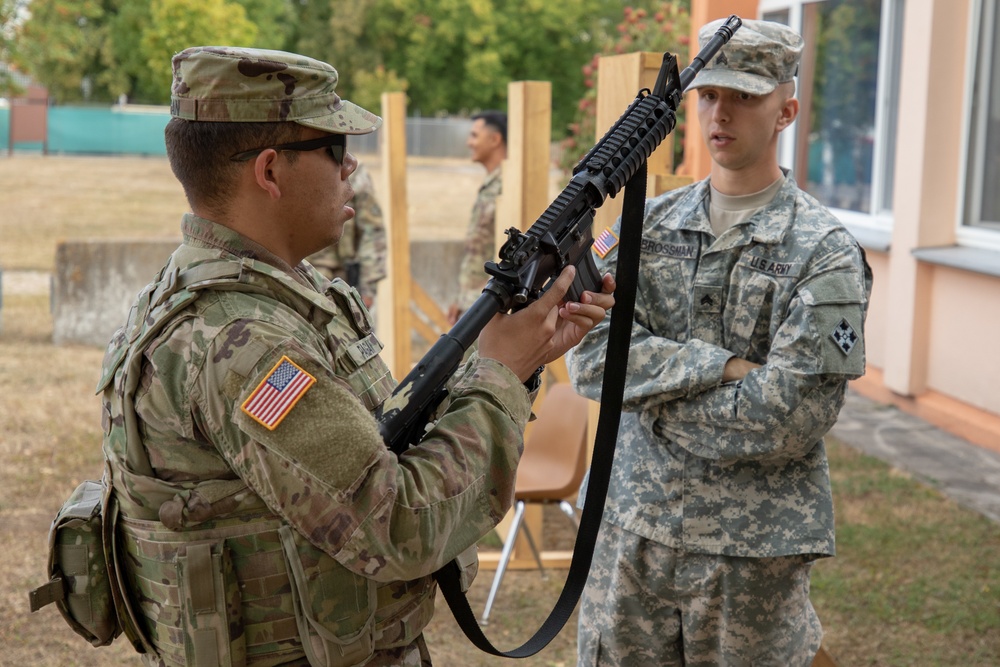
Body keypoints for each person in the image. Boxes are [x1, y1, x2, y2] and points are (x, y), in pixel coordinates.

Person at [97, 46, 614, 667]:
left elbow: (385, 440)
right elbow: (399, 523)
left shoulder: (266, 296)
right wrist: (499, 374)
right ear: (269, 171)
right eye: (334, 149)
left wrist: (516, 361)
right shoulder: (241, 344)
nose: (351, 167)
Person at [566, 19, 872, 666]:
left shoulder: (824, 252)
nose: (719, 112)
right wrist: (726, 368)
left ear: (785, 109)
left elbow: (788, 418)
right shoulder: (644, 226)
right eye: (707, 95)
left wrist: (651, 407)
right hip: (631, 528)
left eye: (743, 96)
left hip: (748, 553)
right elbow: (591, 358)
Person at [447, 110, 507, 325]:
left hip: (489, 306)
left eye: (474, 135)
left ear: (495, 139)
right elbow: (476, 250)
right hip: (473, 301)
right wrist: (460, 298)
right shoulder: (492, 183)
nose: (469, 142)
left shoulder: (507, 185)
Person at [307, 160, 386, 308]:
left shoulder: (354, 174)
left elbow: (372, 233)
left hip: (340, 283)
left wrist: (368, 289)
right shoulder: (295, 163)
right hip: (298, 276)